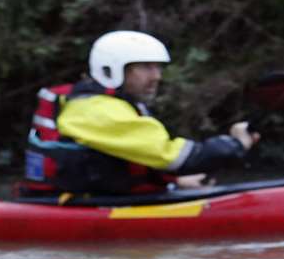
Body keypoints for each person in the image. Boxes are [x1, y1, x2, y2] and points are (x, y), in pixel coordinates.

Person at [21, 30, 260, 198]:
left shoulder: (110, 104)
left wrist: (176, 182)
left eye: (158, 67)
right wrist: (235, 144)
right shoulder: (98, 111)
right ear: (113, 69)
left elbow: (130, 161)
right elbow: (175, 158)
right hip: (78, 205)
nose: (156, 76)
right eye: (146, 67)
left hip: (101, 196)